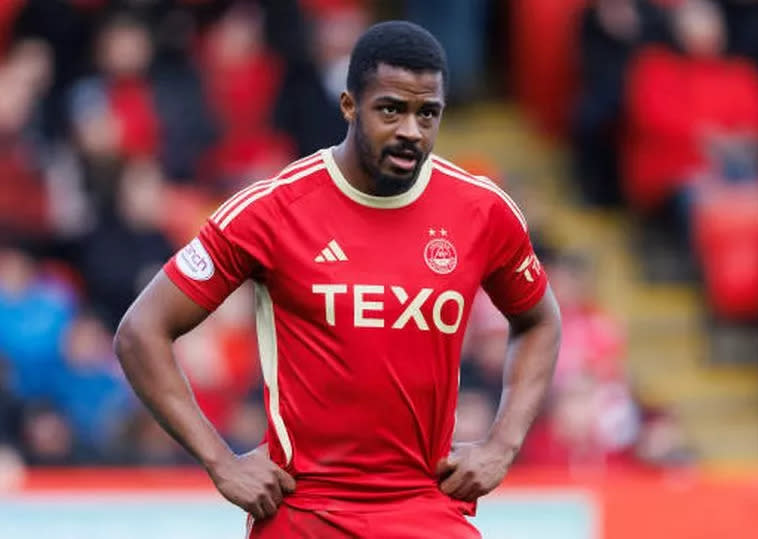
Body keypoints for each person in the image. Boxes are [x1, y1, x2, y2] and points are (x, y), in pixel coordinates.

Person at [114, 21, 561, 538]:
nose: (411, 130)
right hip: (305, 512)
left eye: (427, 113)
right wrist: (221, 461)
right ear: (349, 106)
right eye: (391, 109)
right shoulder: (273, 210)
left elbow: (539, 321)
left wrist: (503, 444)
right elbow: (140, 332)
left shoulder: (482, 211)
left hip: (426, 506)